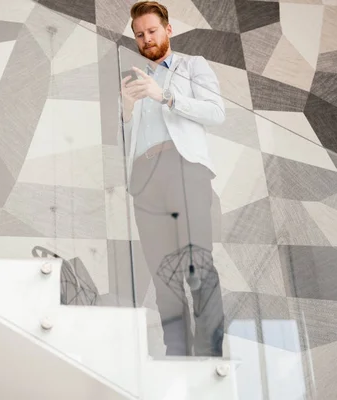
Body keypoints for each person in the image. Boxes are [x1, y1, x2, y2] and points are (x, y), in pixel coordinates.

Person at [120, 1, 225, 357]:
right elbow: (132, 138)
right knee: (163, 273)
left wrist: (164, 95)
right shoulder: (134, 81)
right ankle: (176, 353)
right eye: (139, 35)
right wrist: (127, 111)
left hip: (184, 169)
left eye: (152, 31)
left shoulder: (192, 67)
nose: (146, 39)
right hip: (145, 180)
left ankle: (209, 353)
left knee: (197, 262)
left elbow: (216, 112)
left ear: (168, 30)